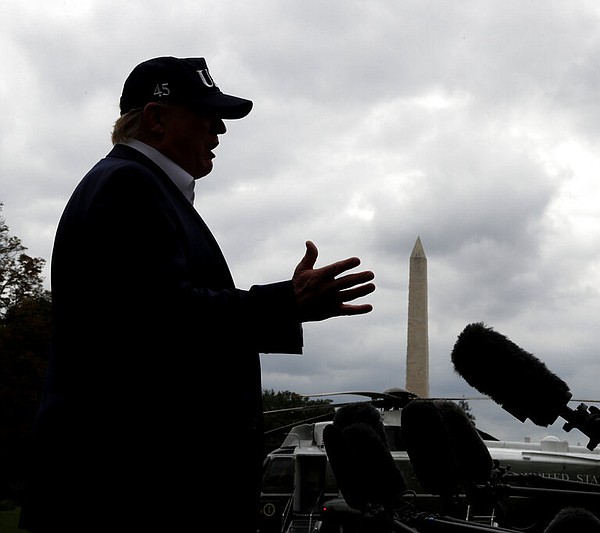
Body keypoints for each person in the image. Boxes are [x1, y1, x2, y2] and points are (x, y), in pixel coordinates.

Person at [20, 56, 375, 533]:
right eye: (206, 114)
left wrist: (286, 305)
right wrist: (286, 302)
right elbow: (164, 319)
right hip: (134, 490)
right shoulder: (127, 186)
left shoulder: (141, 188)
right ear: (156, 118)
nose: (220, 130)